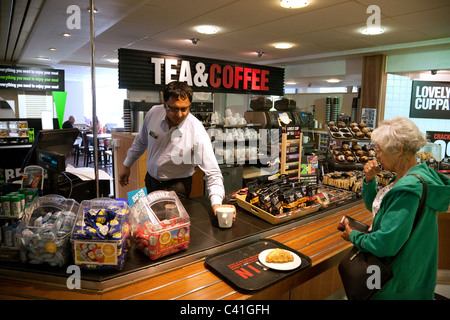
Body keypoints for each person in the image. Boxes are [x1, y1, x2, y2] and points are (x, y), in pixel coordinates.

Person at [340, 116, 450, 300]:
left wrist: (353, 235)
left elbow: (385, 244)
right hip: (411, 274)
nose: (378, 155)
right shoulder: (411, 176)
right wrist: (369, 180)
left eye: (381, 150)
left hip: (399, 281)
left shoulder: (408, 188)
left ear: (398, 149)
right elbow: (379, 209)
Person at [119, 81, 233, 218]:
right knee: (153, 223)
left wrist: (217, 204)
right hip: (151, 181)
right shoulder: (153, 113)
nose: (179, 114)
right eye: (173, 109)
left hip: (177, 187)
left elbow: (213, 173)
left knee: (174, 229)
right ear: (164, 103)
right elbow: (141, 141)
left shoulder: (196, 131)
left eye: (184, 109)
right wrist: (127, 164)